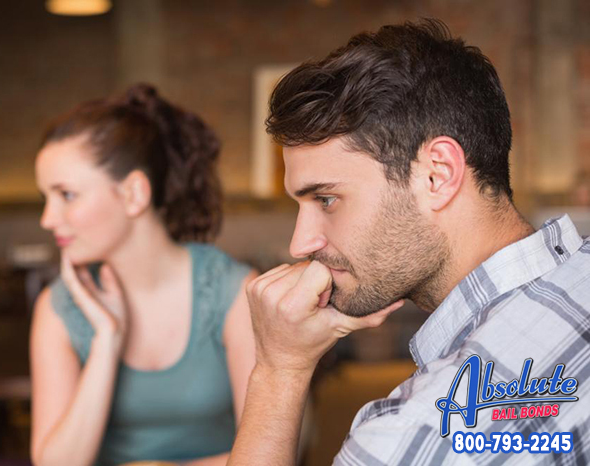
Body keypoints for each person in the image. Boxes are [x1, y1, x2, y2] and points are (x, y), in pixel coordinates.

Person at [228, 19, 590, 465]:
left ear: (437, 175)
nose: (300, 243)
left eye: (326, 199)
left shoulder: (409, 438)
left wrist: (278, 370)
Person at [30, 84, 257, 466]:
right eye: (45, 199)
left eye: (66, 195)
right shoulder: (56, 308)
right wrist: (106, 341)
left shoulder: (234, 292)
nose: (47, 219)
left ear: (134, 194)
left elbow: (276, 452)